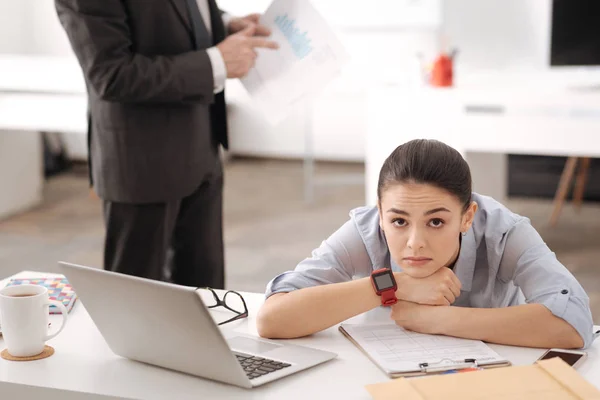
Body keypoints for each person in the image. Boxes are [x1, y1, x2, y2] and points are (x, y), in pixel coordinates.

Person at [257, 139, 597, 349]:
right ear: (381, 214)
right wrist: (390, 285)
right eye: (399, 221)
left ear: (467, 217)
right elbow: (273, 319)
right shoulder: (367, 229)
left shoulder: (504, 232)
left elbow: (574, 323)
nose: (414, 243)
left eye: (436, 222)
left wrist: (434, 319)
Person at [55, 0, 278, 289]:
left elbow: (180, 13)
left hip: (202, 147)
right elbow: (111, 74)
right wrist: (217, 62)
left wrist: (222, 24)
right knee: (136, 302)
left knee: (207, 299)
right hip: (141, 163)